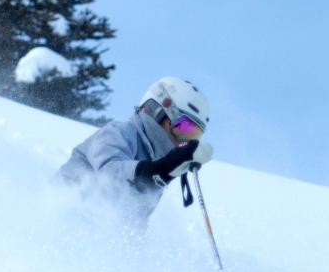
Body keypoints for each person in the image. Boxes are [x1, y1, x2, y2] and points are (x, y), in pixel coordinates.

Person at [55, 77, 214, 228]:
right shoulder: (119, 132)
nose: (183, 142)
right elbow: (109, 173)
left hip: (90, 236)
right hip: (60, 217)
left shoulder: (155, 163)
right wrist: (160, 169)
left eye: (193, 135)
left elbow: (133, 223)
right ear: (156, 110)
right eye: (184, 128)